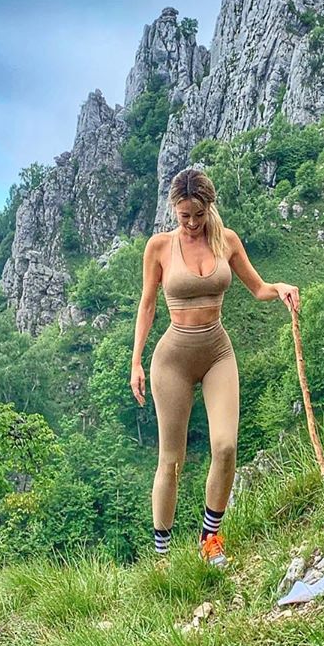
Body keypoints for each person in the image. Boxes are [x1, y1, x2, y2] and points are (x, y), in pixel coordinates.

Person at [131, 167, 300, 567]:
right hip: (172, 359)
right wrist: (136, 361)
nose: (191, 223)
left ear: (209, 207)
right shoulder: (159, 247)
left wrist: (280, 289)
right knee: (171, 461)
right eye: (183, 215)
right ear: (173, 210)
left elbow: (258, 288)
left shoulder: (227, 241)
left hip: (217, 352)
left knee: (225, 447)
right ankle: (161, 559)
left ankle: (210, 538)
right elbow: (148, 304)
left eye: (198, 214)